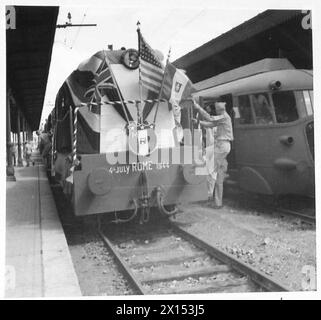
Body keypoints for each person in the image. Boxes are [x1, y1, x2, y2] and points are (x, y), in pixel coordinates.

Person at [193, 99, 233, 208]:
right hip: (222, 147)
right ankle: (216, 202)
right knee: (217, 173)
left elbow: (210, 119)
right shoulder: (224, 118)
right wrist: (199, 122)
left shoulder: (223, 116)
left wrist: (198, 108)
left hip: (221, 146)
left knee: (210, 168)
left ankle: (208, 194)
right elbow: (211, 123)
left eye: (216, 109)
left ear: (219, 110)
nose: (215, 111)